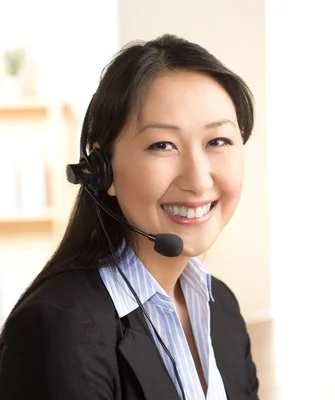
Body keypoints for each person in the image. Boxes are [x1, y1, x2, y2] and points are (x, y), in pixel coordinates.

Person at [0, 34, 259, 400]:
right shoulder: (60, 328)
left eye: (217, 141)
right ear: (102, 171)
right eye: (162, 145)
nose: (199, 180)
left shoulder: (223, 310)